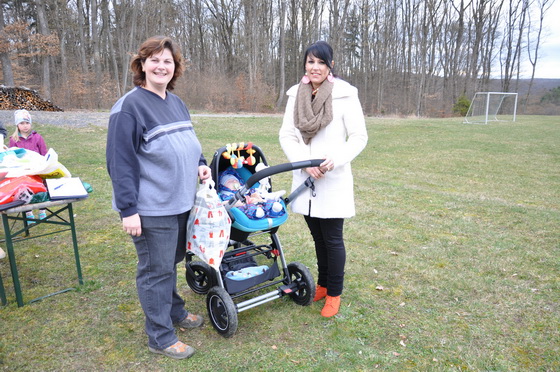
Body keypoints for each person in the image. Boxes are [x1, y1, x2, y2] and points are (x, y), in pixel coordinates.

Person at [106, 36, 211, 360]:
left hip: (181, 203)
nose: (161, 66)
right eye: (154, 59)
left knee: (170, 264)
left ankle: (176, 312)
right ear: (142, 65)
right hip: (151, 209)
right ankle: (160, 336)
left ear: (175, 67)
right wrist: (129, 210)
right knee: (155, 270)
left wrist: (201, 164)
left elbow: (188, 144)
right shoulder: (129, 107)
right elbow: (119, 162)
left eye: (167, 61)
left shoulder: (176, 103)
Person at [279, 41, 368, 318]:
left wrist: (335, 160)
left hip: (332, 177)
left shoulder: (345, 95)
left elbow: (359, 137)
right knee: (317, 237)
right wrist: (304, 164)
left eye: (320, 62)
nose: (314, 67)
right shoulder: (296, 95)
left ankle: (334, 293)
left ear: (330, 66)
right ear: (305, 65)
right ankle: (322, 284)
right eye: (310, 61)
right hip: (305, 177)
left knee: (332, 239)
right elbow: (287, 135)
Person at [9, 109, 48, 221]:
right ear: (17, 125)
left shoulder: (37, 137)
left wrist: (44, 165)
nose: (25, 126)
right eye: (22, 123)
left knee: (41, 189)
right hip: (23, 171)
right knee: (24, 191)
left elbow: (44, 153)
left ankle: (42, 210)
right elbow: (12, 156)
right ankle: (29, 213)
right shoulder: (14, 139)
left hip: (38, 169)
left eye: (27, 123)